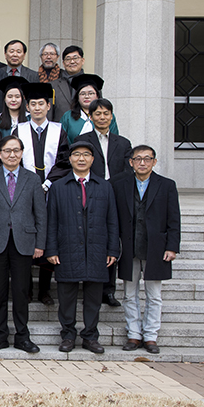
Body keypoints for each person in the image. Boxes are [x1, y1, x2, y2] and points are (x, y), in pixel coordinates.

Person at [46, 141, 119, 354]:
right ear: (69, 159)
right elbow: (52, 221)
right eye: (76, 154)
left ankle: (90, 336)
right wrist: (51, 249)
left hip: (97, 249)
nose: (81, 158)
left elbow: (112, 221)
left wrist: (112, 249)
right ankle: (68, 335)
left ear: (93, 159)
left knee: (93, 298)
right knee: (66, 297)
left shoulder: (104, 186)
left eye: (86, 155)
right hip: (67, 248)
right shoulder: (59, 187)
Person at [0, 135, 45, 353]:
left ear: (22, 153)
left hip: (24, 242)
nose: (12, 155)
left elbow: (41, 215)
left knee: (21, 290)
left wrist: (40, 244)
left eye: (16, 150)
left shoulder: (33, 179)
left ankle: (22, 336)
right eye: (7, 150)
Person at [113, 145, 181, 355]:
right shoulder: (118, 184)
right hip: (129, 246)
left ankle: (151, 336)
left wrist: (172, 246)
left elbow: (174, 219)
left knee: (154, 295)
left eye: (147, 159)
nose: (142, 163)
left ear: (154, 161)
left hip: (156, 248)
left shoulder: (167, 185)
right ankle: (134, 334)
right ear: (131, 162)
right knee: (129, 294)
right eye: (138, 159)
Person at [13, 83, 69, 306]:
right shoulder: (19, 130)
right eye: (33, 104)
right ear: (27, 107)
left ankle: (45, 288)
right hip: (23, 191)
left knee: (48, 235)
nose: (37, 108)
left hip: (51, 190)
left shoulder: (59, 130)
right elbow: (12, 158)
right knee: (25, 236)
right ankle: (26, 287)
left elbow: (64, 162)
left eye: (41, 104)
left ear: (48, 106)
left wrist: (47, 183)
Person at [75, 98, 133, 307]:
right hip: (89, 194)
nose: (102, 117)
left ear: (111, 116)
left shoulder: (123, 143)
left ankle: (108, 290)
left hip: (115, 197)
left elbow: (128, 172)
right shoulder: (83, 139)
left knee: (110, 242)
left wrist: (111, 187)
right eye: (97, 114)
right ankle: (86, 285)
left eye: (106, 113)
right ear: (91, 116)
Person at [60, 73, 120, 144]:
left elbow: (114, 140)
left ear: (97, 96)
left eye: (90, 93)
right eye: (82, 94)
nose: (86, 96)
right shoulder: (68, 117)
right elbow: (62, 141)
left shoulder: (106, 115)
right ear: (78, 97)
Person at [49, 45, 86, 121]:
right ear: (63, 63)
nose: (72, 62)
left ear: (82, 60)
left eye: (75, 58)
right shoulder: (53, 86)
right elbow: (49, 113)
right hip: (60, 129)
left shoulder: (91, 84)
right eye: (68, 59)